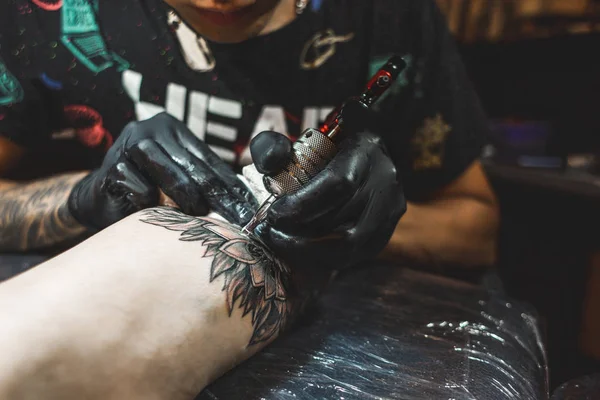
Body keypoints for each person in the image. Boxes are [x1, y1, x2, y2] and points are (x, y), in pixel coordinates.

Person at [0, 0, 498, 271]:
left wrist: (359, 225)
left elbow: (478, 232)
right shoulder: (45, 13)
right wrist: (80, 199)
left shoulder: (388, 16)